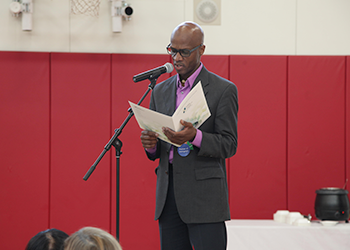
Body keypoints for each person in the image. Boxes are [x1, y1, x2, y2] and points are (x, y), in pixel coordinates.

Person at [140, 21, 238, 250]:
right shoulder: (160, 90)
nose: (176, 57)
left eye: (184, 52)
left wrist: (194, 137)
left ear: (201, 50)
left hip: (204, 198)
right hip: (169, 194)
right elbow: (157, 149)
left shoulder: (222, 90)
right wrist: (151, 145)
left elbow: (229, 144)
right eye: (172, 50)